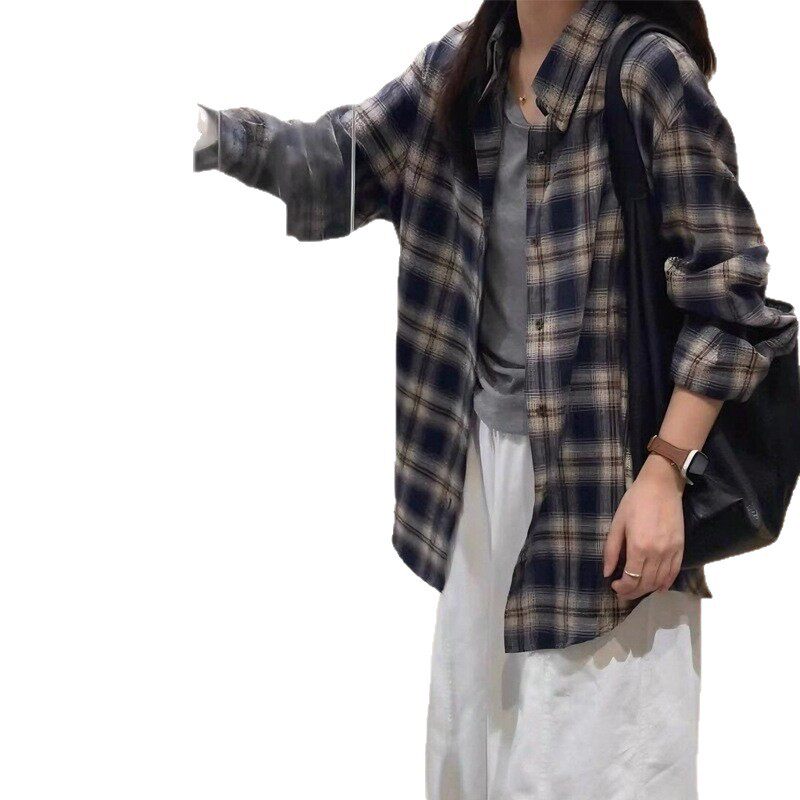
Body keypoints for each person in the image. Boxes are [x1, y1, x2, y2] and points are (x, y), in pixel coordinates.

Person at [194, 2, 798, 798]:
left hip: (608, 494)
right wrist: (208, 133)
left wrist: (663, 474)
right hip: (478, 480)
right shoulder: (461, 69)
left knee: (589, 766)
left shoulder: (645, 73)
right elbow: (340, 164)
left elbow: (730, 294)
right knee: (473, 758)